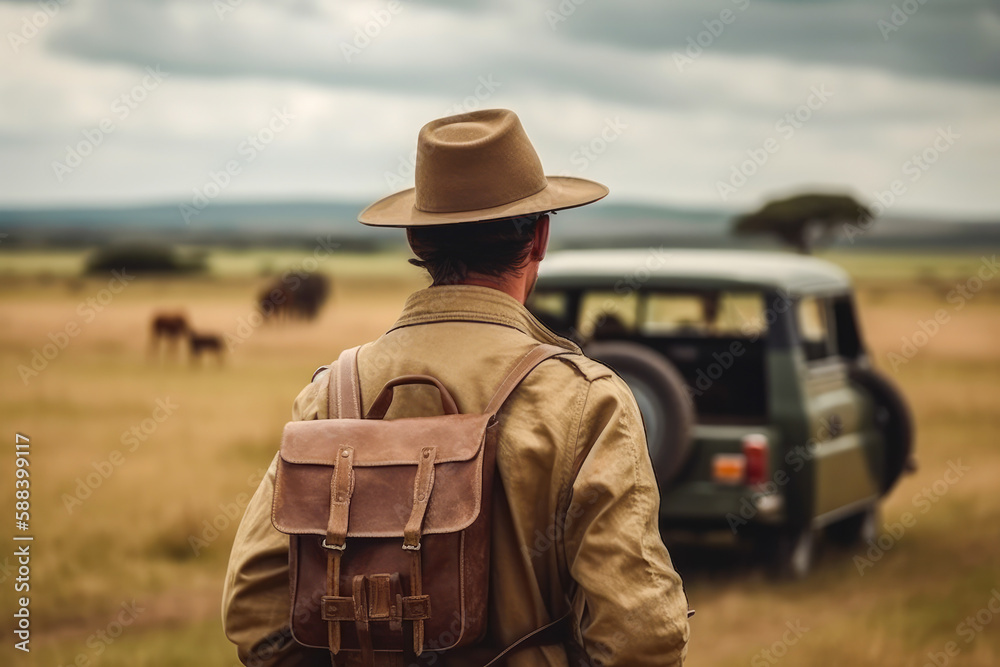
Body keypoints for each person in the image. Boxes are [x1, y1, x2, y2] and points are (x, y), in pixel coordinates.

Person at [223, 108, 690, 666]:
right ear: (539, 237)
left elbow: (254, 611)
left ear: (418, 240)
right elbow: (639, 635)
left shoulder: (331, 392)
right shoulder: (588, 399)